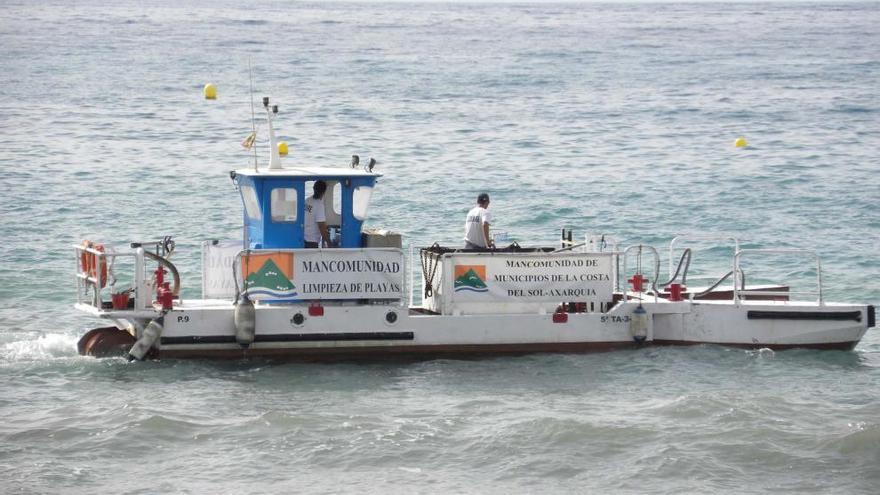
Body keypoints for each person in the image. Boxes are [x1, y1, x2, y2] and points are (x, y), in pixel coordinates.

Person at [304, 180, 331, 248]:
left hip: (304, 238)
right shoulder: (319, 205)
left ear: (313, 188)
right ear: (324, 191)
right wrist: (329, 243)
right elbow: (321, 226)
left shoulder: (307, 201)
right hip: (312, 241)